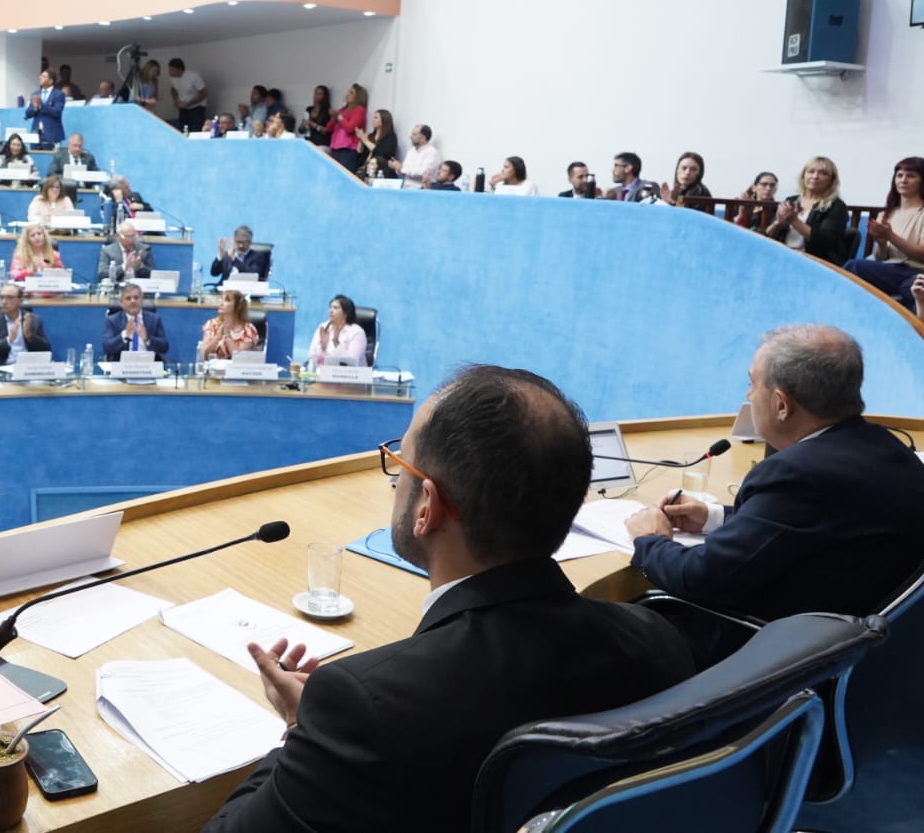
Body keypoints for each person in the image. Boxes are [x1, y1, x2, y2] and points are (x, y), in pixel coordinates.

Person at [204, 366, 693, 833]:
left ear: (427, 507)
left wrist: (298, 728)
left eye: (399, 464)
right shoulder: (657, 638)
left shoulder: (362, 709)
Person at [628, 325, 924, 628]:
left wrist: (650, 539)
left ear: (781, 405)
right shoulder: (892, 451)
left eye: (753, 384)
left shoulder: (796, 476)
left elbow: (700, 578)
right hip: (863, 649)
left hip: (770, 652)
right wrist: (714, 517)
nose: (749, 394)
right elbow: (806, 524)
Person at [843, 157, 924, 303]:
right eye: (899, 175)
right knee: (854, 268)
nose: (903, 180)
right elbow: (880, 258)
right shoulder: (886, 214)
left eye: (911, 176)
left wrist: (891, 236)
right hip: (890, 270)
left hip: (916, 271)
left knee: (853, 266)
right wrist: (881, 243)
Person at [766, 156, 848, 262]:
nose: (815, 176)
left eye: (823, 173)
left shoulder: (837, 206)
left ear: (831, 180)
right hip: (783, 255)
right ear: (803, 176)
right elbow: (768, 235)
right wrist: (778, 223)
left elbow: (827, 242)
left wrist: (794, 221)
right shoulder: (791, 200)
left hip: (813, 261)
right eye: (811, 171)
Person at [0, 283, 50, 364]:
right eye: (1, 297)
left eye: (9, 297)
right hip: (3, 368)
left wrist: (30, 336)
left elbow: (47, 350)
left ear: (21, 301)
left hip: (28, 367)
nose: (4, 301)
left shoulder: (33, 319)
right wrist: (9, 339)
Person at [103, 282, 169, 362]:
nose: (133, 301)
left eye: (136, 297)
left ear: (142, 300)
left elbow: (164, 347)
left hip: (148, 365)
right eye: (128, 298)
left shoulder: (154, 319)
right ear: (121, 302)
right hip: (122, 366)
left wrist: (147, 338)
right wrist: (125, 335)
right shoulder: (112, 320)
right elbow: (107, 348)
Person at [198, 290, 261, 360]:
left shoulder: (248, 330)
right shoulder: (211, 325)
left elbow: (240, 359)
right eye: (221, 299)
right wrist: (217, 338)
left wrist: (228, 336)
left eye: (227, 300)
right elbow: (203, 356)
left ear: (239, 306)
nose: (221, 303)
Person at [309, 295, 367, 366]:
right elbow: (311, 356)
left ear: (346, 313)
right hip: (325, 373)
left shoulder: (357, 332)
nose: (331, 311)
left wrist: (336, 343)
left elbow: (350, 363)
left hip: (351, 375)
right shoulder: (323, 328)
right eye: (330, 307)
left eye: (335, 308)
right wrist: (322, 347)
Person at [325, 83, 367, 171]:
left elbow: (350, 128)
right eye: (348, 92)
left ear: (358, 97)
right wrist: (333, 117)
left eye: (351, 93)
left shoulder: (359, 110)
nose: (347, 94)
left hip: (348, 150)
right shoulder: (342, 110)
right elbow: (328, 128)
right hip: (335, 148)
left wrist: (339, 117)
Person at [384, 124, 438, 188]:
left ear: (423, 137)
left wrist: (402, 169)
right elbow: (404, 171)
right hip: (406, 187)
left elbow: (423, 172)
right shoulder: (411, 151)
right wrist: (396, 167)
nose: (410, 137)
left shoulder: (432, 152)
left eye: (414, 135)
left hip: (421, 189)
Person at [24, 70, 66, 147]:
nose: (39, 78)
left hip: (51, 134)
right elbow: (28, 113)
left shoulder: (59, 94)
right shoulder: (35, 93)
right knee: (35, 156)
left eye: (43, 76)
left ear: (50, 81)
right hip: (36, 134)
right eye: (40, 76)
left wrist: (42, 105)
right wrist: (35, 108)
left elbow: (57, 112)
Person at [167, 58, 208, 134]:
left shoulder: (193, 76)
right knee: (183, 128)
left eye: (172, 70)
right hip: (183, 107)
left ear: (179, 69)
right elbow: (173, 89)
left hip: (197, 107)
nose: (169, 72)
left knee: (196, 130)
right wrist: (176, 100)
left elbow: (203, 92)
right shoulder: (172, 78)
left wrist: (189, 103)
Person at [358, 109, 398, 178]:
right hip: (367, 170)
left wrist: (365, 141)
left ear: (384, 120)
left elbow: (381, 152)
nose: (373, 120)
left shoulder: (390, 137)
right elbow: (359, 151)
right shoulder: (371, 135)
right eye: (373, 117)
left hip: (382, 172)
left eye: (376, 117)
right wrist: (361, 139)